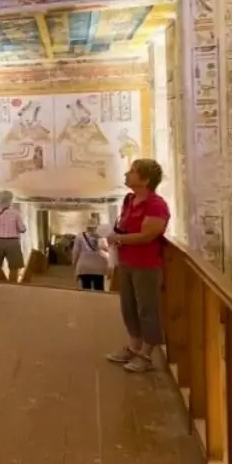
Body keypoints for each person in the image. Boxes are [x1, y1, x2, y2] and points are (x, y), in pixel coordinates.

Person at [106, 159, 170, 372]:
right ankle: (133, 346)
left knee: (146, 309)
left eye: (132, 171)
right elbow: (125, 227)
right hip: (126, 261)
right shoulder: (129, 200)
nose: (127, 174)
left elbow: (146, 235)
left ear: (145, 179)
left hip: (146, 264)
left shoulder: (156, 205)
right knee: (129, 307)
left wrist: (118, 239)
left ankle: (146, 354)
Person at [72, 215, 109, 292]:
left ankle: (86, 303)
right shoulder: (102, 236)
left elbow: (75, 252)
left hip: (84, 266)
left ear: (86, 226)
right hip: (99, 266)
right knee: (99, 288)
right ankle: (99, 303)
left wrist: (74, 264)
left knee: (86, 288)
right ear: (96, 227)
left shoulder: (79, 236)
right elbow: (106, 250)